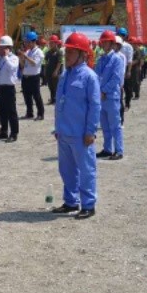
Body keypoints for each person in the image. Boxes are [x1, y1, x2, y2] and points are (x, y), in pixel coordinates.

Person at [51, 32, 101, 220]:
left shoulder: (89, 76)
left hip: (81, 134)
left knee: (86, 170)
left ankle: (88, 204)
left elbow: (95, 106)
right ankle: (70, 201)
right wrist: (57, 128)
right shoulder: (65, 75)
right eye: (67, 51)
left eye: (71, 52)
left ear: (82, 54)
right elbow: (59, 103)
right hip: (64, 132)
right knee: (66, 170)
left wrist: (91, 131)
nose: (67, 55)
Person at [95, 30, 124, 161]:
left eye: (105, 42)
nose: (103, 44)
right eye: (102, 42)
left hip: (111, 96)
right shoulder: (101, 59)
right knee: (105, 125)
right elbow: (96, 76)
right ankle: (107, 149)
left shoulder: (117, 59)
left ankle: (118, 150)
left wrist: (104, 91)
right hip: (101, 96)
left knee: (114, 125)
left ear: (111, 43)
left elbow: (116, 79)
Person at [0, 35, 20, 142]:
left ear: (8, 48)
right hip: (1, 88)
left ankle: (14, 133)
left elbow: (12, 69)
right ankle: (3, 131)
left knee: (11, 112)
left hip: (9, 88)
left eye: (2, 47)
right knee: (2, 111)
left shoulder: (14, 58)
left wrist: (6, 57)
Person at [19, 31, 45, 121]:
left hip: (34, 77)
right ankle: (29, 113)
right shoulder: (28, 51)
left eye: (28, 42)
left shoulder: (39, 52)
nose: (26, 44)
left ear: (33, 41)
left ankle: (40, 114)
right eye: (26, 42)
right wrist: (21, 58)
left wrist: (25, 57)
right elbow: (23, 65)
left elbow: (34, 63)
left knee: (36, 96)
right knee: (27, 96)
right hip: (26, 77)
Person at [45, 36, 62, 104]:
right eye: (50, 43)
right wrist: (45, 70)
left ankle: (56, 100)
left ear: (56, 43)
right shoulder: (48, 52)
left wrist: (56, 71)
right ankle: (52, 99)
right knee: (50, 86)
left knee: (56, 87)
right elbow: (46, 61)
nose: (50, 44)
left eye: (52, 43)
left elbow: (59, 62)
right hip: (49, 72)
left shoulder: (59, 52)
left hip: (55, 73)